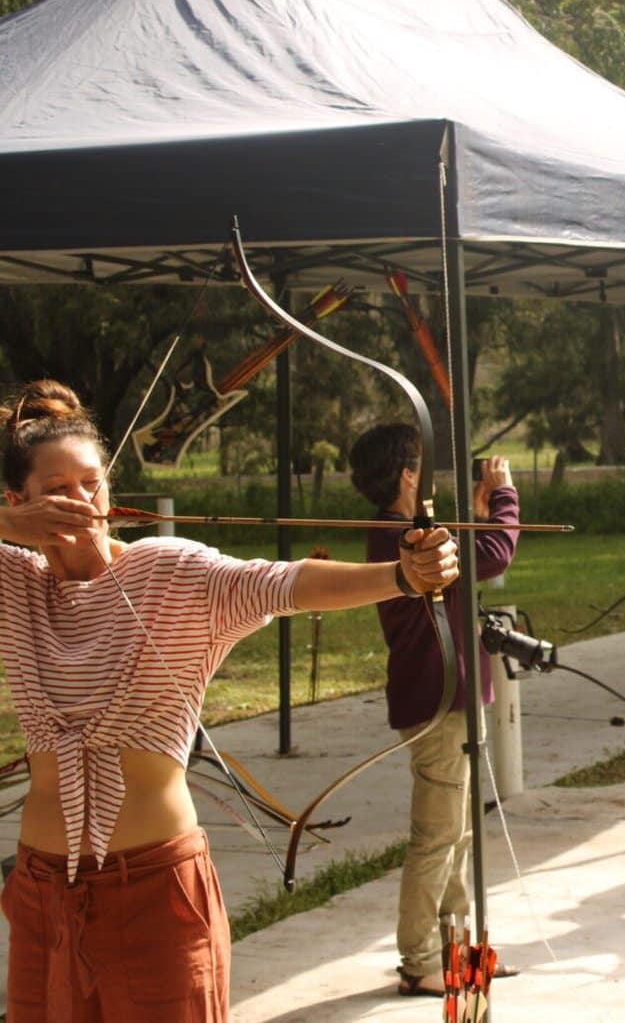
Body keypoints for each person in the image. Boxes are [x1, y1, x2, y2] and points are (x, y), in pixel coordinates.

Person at [0, 380, 459, 1021]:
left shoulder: (166, 571)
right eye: (56, 491)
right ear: (16, 501)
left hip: (154, 890)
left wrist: (403, 576)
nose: (81, 503)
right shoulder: (15, 582)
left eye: (91, 484)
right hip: (44, 889)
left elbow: (280, 585)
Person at [348, 426, 524, 997]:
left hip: (447, 697)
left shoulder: (408, 531)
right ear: (406, 475)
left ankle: (458, 952)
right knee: (437, 836)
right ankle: (420, 957)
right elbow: (492, 556)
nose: (427, 477)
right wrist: (502, 495)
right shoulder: (402, 536)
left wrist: (475, 514)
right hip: (436, 698)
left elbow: (469, 560)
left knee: (457, 834)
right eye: (421, 466)